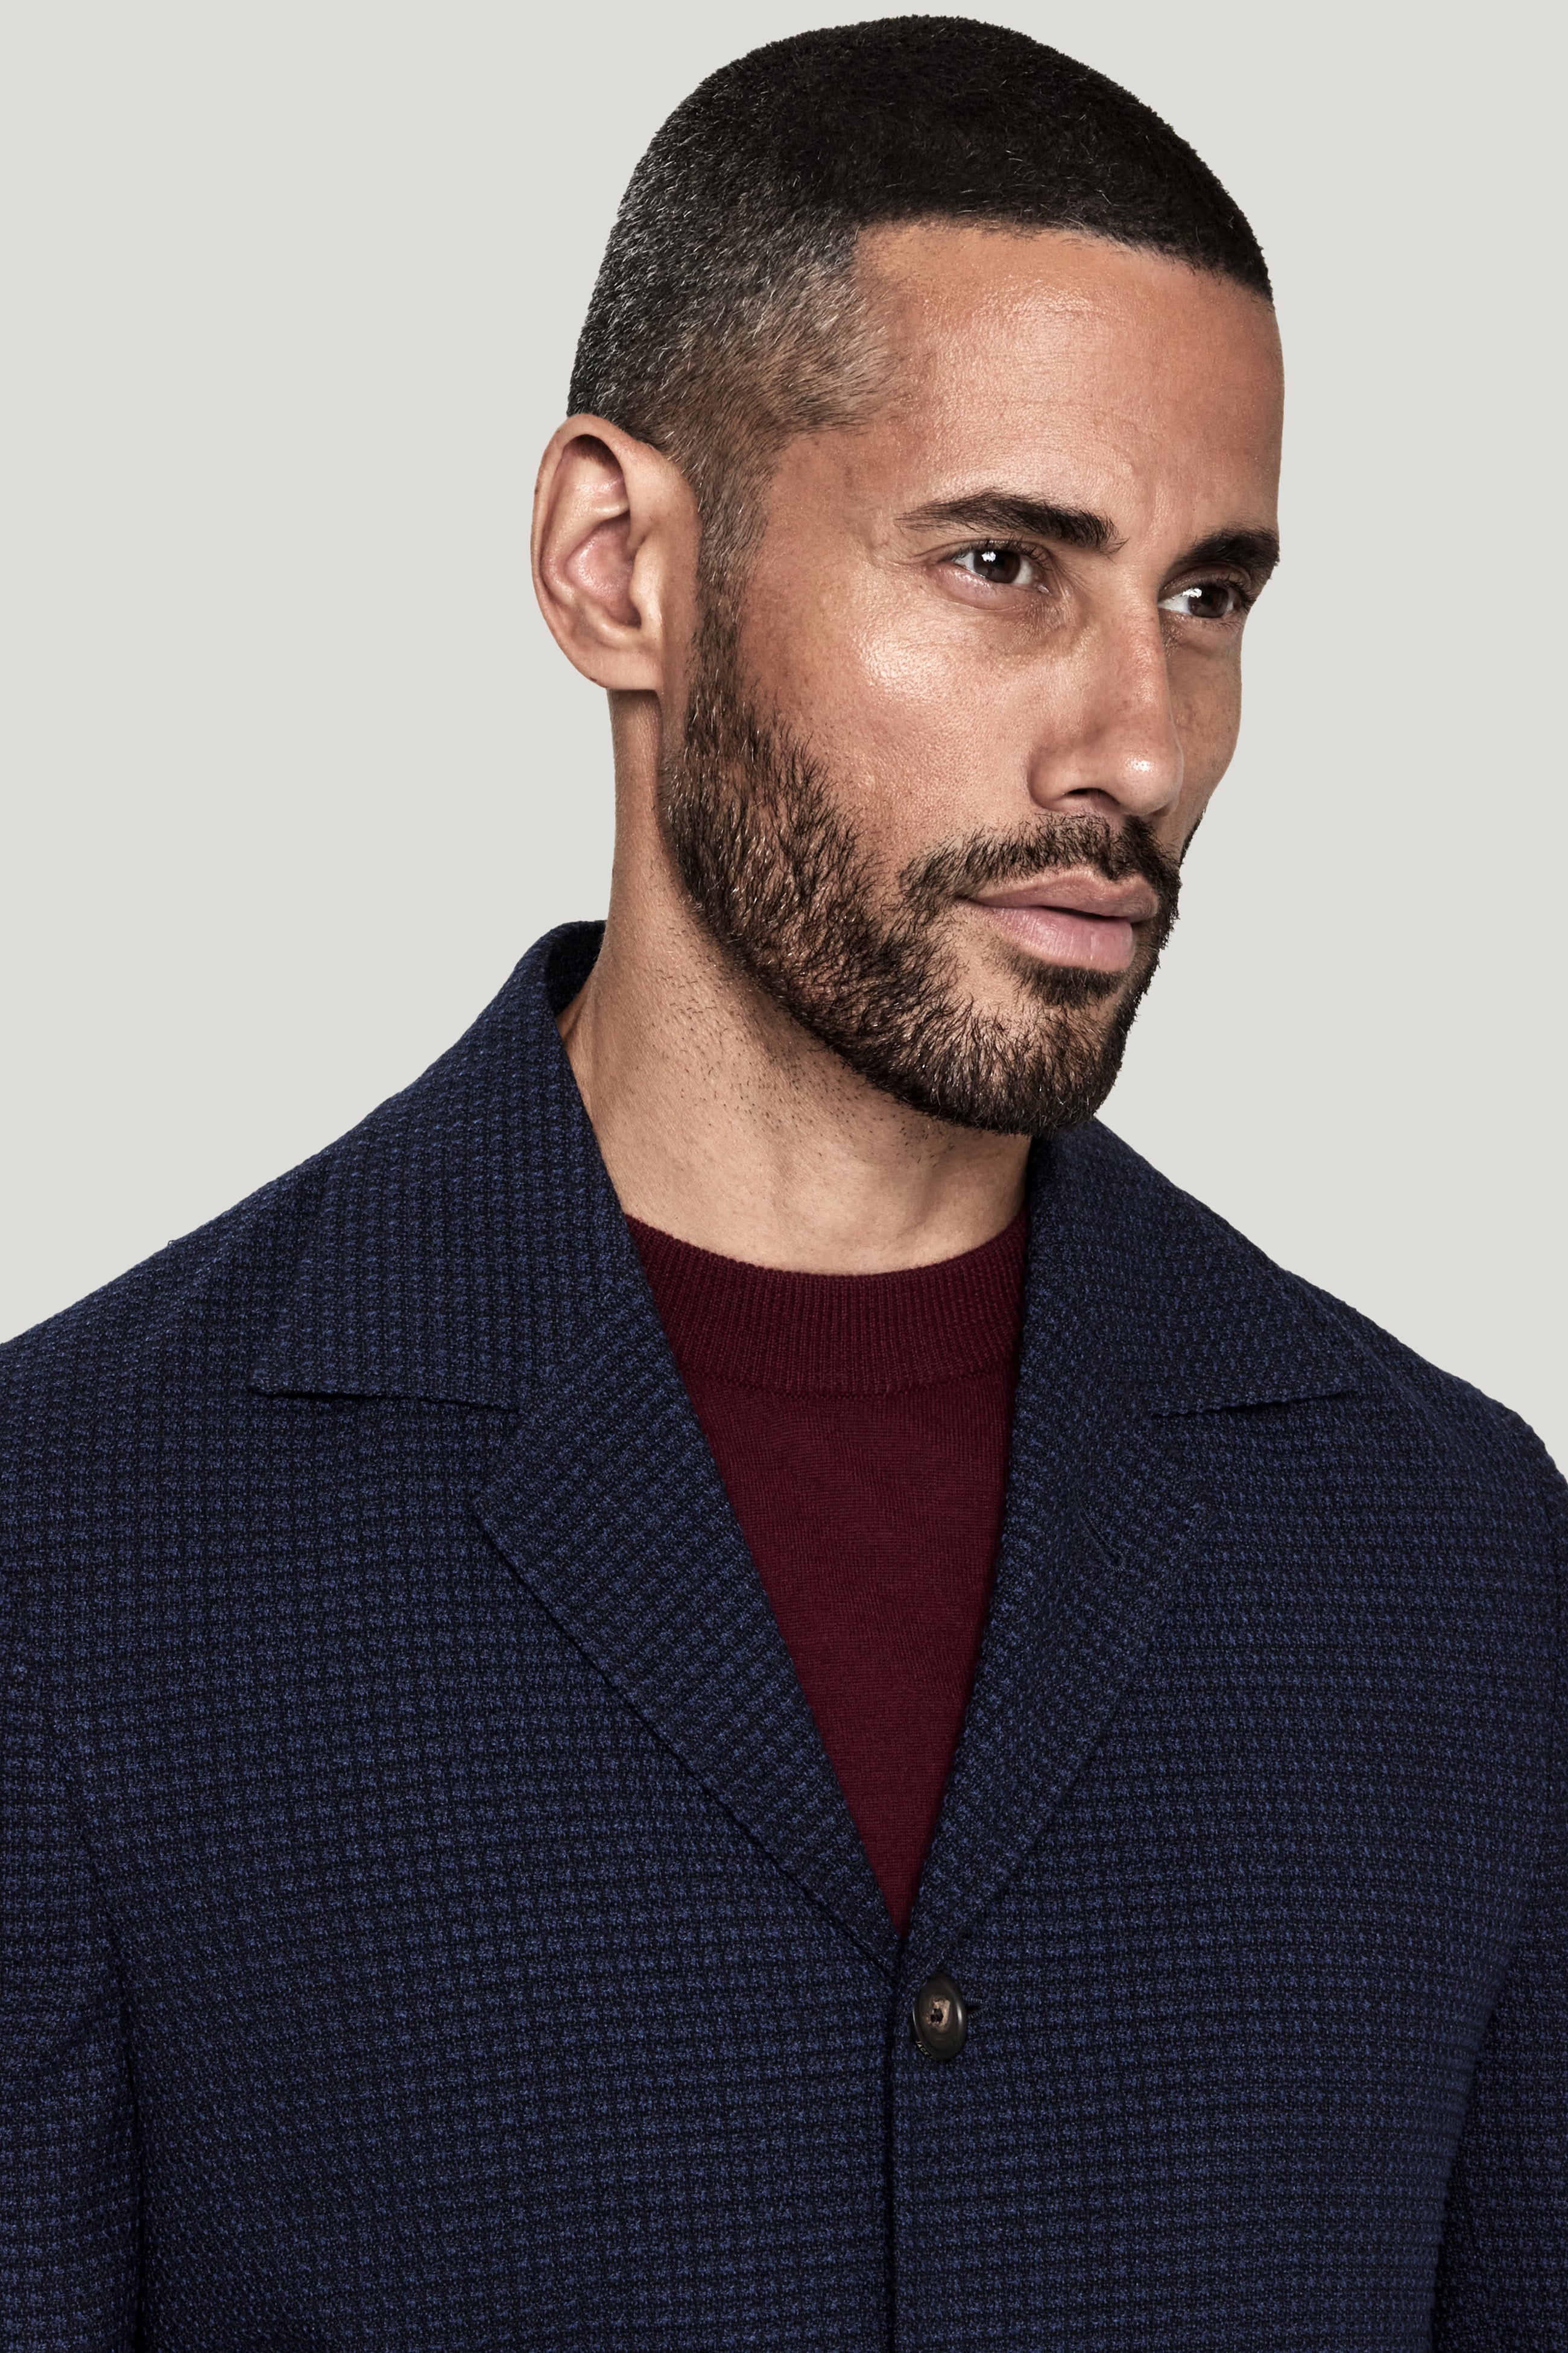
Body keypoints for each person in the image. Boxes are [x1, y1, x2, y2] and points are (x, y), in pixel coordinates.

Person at [2, 14, 1561, 2345]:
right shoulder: (81, 1543)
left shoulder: (1456, 1557)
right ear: (616, 564)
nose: (1144, 743)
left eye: (1209, 596)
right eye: (1005, 562)